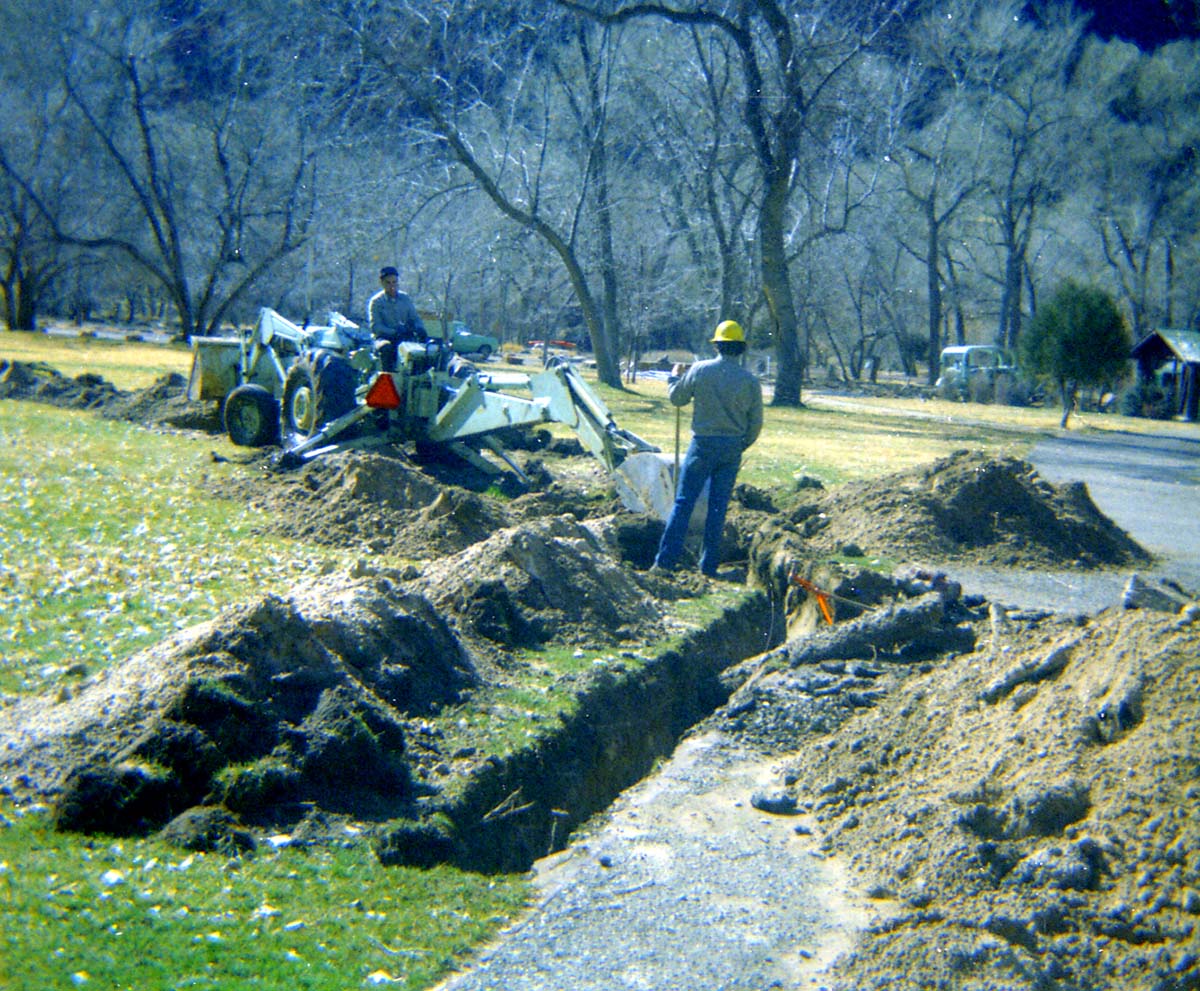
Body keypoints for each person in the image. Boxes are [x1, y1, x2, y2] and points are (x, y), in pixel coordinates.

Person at [653, 319, 764, 578]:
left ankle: (665, 563)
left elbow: (677, 399)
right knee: (718, 508)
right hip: (731, 448)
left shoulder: (700, 369)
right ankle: (708, 567)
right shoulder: (750, 381)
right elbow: (755, 423)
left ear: (717, 346)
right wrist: (739, 445)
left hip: (702, 445)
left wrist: (674, 378)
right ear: (740, 347)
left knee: (683, 503)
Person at [367, 265, 426, 369]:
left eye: (394, 282)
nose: (392, 286)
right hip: (384, 338)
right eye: (388, 283)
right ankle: (387, 375)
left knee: (423, 351)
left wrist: (419, 328)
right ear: (382, 283)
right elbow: (376, 327)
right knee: (386, 348)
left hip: (404, 336)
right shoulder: (376, 302)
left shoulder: (405, 298)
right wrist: (394, 332)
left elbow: (415, 318)